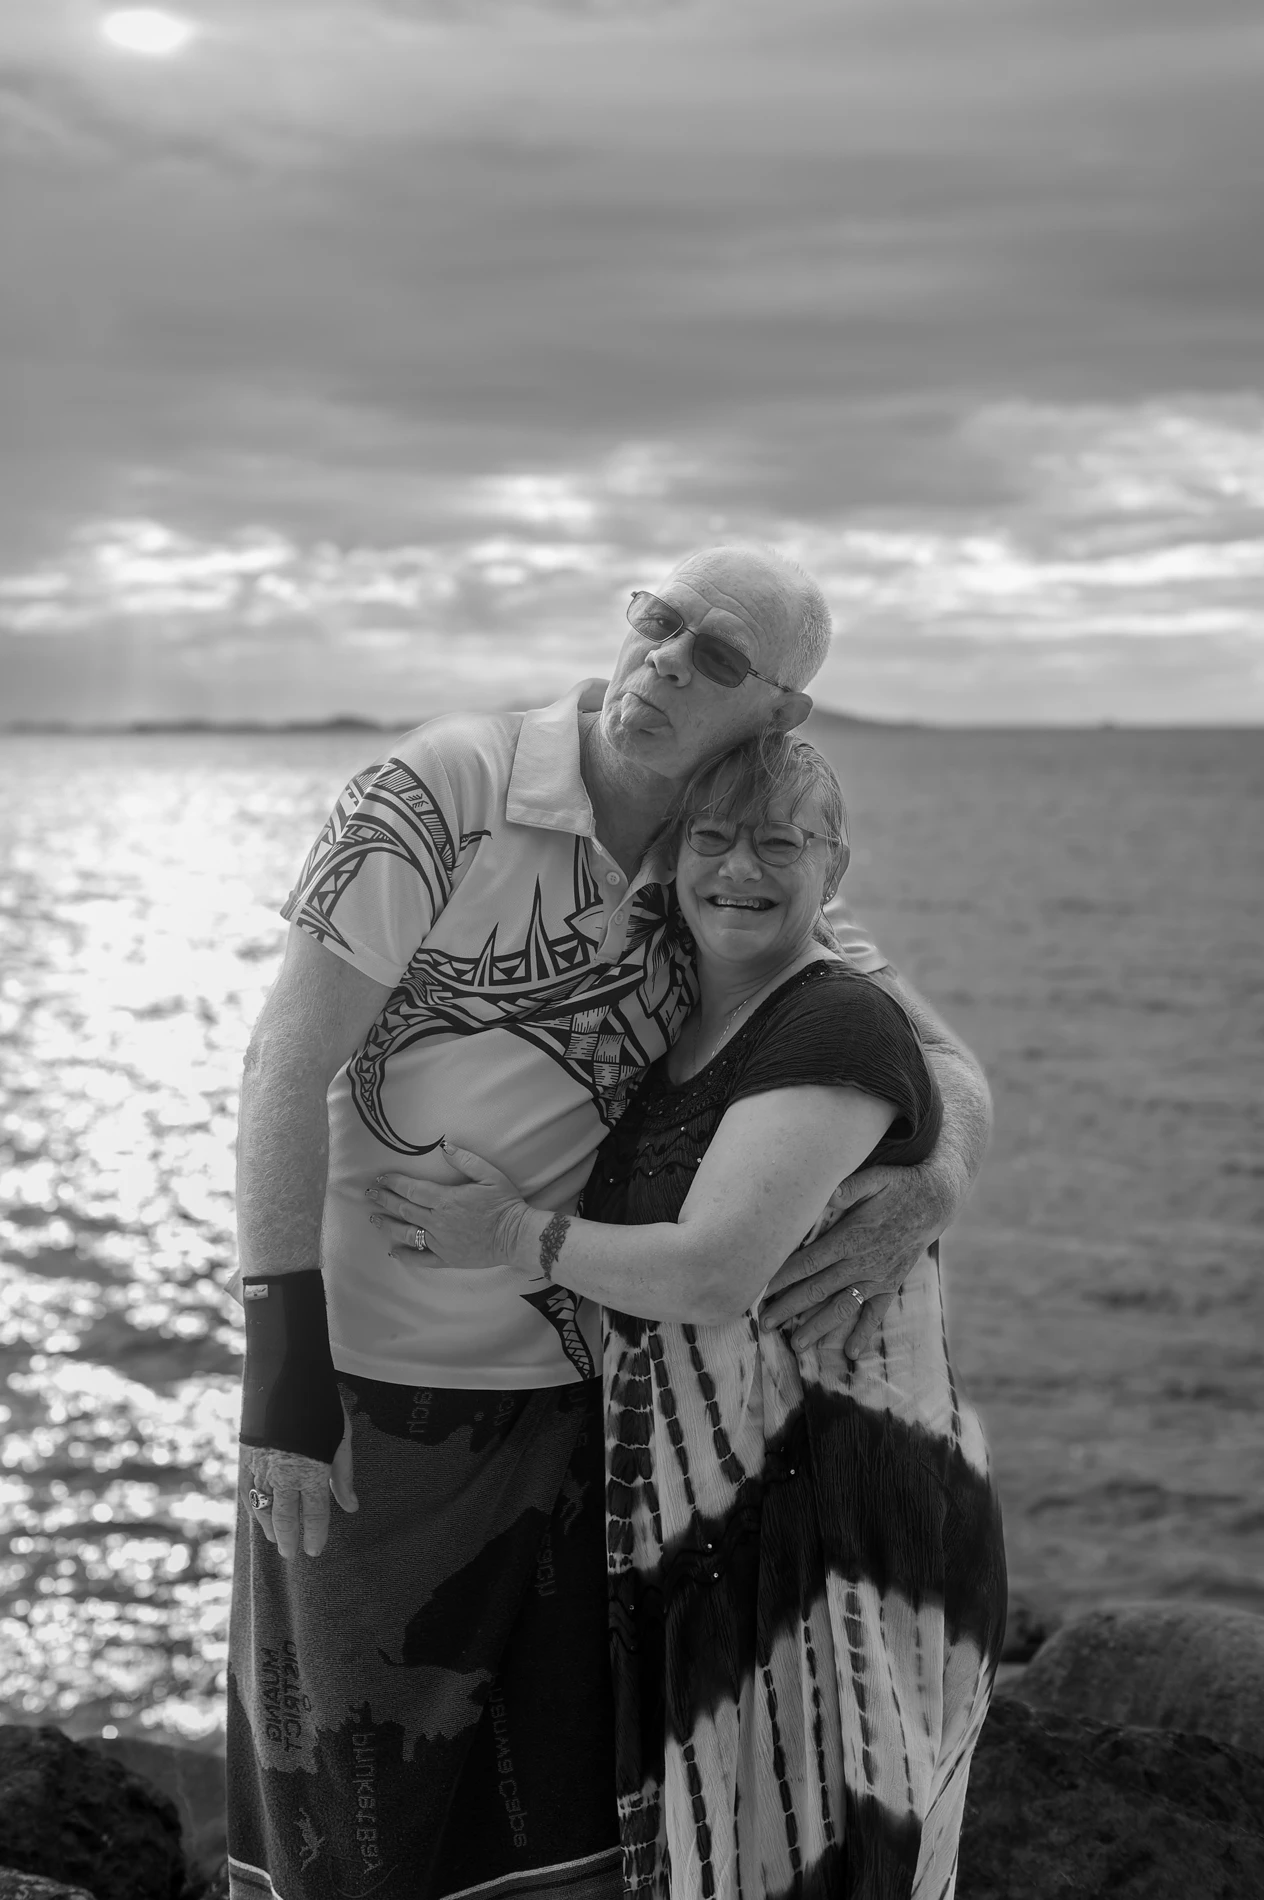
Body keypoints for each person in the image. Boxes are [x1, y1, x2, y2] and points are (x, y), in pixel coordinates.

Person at [227, 544, 993, 1900]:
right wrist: (283, 1375)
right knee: (345, 1837)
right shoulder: (439, 790)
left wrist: (927, 1191)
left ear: (778, 717)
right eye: (660, 622)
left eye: (717, 660)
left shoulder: (719, 861)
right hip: (373, 1407)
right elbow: (286, 1067)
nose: (665, 665)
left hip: (593, 1422)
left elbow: (936, 1061)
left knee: (560, 1850)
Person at [369, 731, 1006, 1899]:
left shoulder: (834, 1018)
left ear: (837, 863)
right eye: (712, 837)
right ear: (666, 858)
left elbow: (713, 1269)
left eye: (780, 841)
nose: (740, 867)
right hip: (721, 1521)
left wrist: (509, 1235)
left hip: (832, 1527)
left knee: (823, 1858)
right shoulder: (685, 1009)